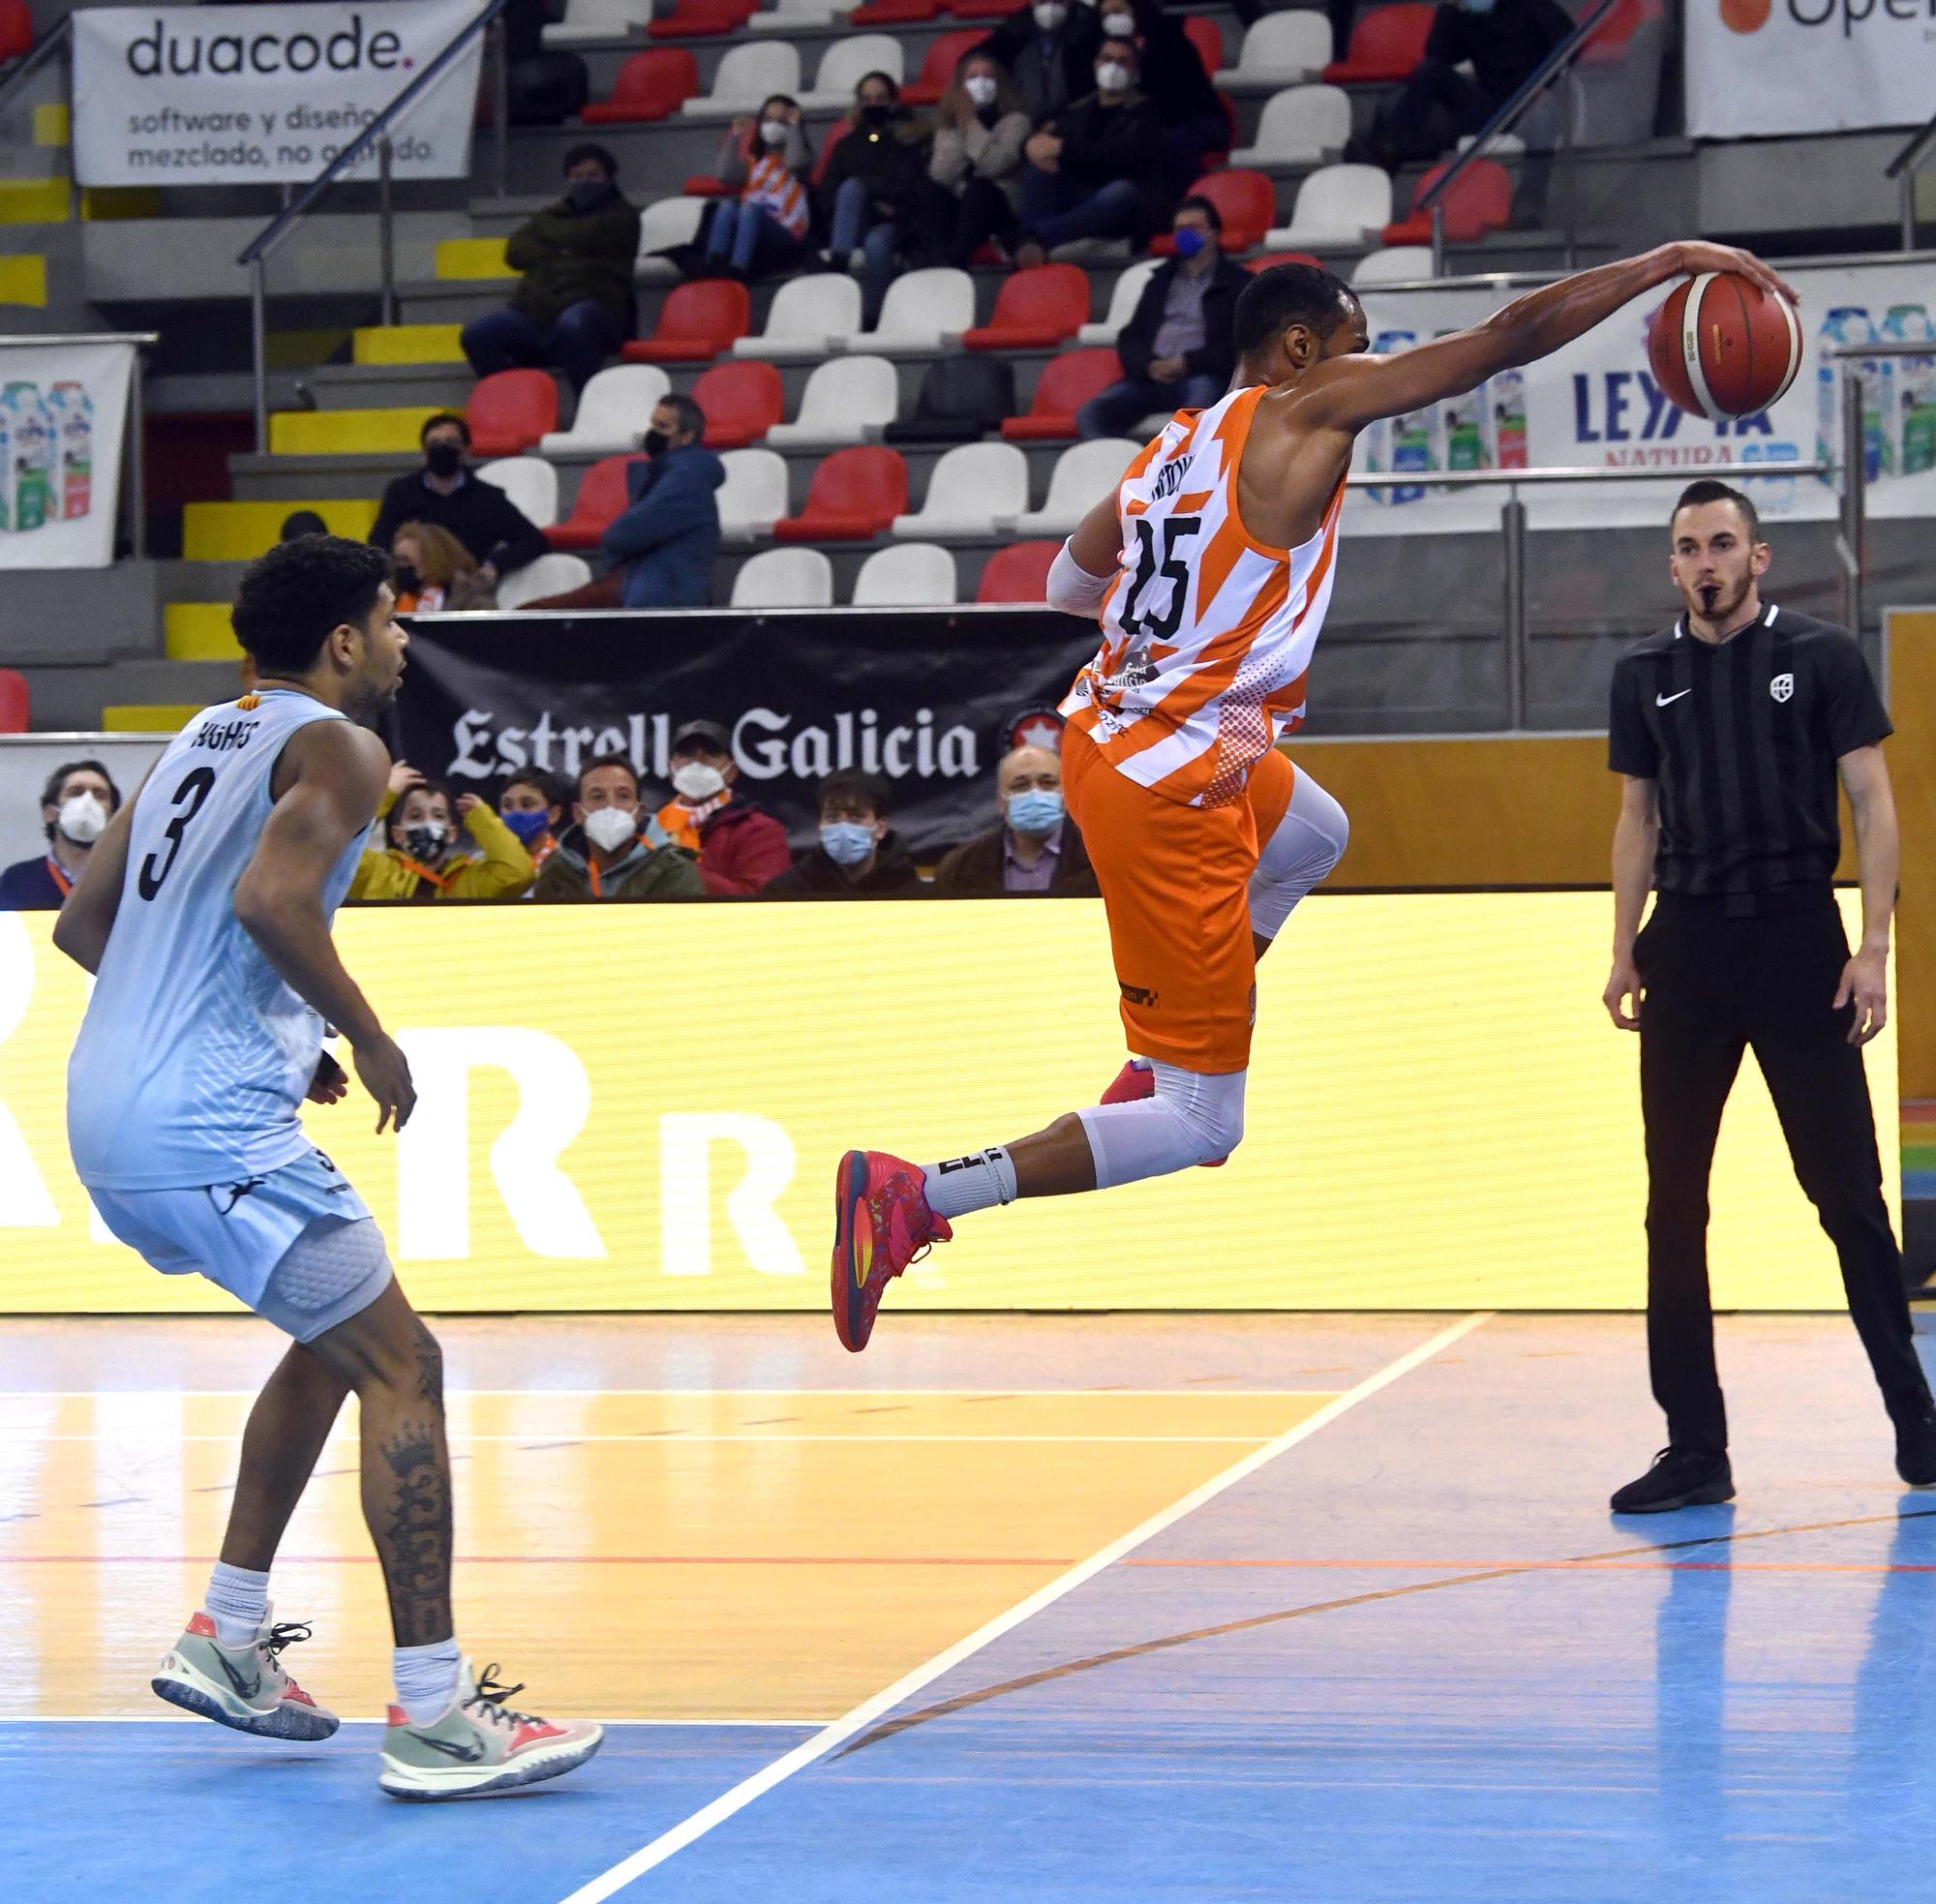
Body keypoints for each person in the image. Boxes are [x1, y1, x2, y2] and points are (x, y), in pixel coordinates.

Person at [825, 237, 1800, 1356]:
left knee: (1312, 832)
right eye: (1354, 345)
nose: (1366, 368)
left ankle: (1161, 1048)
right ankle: (919, 1192)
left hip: (1122, 730)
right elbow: (1504, 339)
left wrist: (1181, 627)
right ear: (1297, 349)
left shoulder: (1172, 445)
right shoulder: (1306, 407)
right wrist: (1662, 261)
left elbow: (1064, 585)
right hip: (1171, 784)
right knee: (1202, 1124)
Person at [51, 534, 599, 1796]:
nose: (403, 642)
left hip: (109, 1114)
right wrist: (365, 1033)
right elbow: (271, 902)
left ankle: (229, 1630)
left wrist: (254, 1037)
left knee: (335, 1338)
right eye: (393, 621)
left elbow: (85, 921)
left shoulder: (195, 738)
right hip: (207, 1130)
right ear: (345, 640)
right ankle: (436, 1713)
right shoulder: (342, 746)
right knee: (407, 1365)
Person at [1600, 480, 1936, 1512]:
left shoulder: (1821, 657)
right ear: (1671, 566)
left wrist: (1872, 945)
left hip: (1799, 941)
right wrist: (1621, 949)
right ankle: (1695, 1448)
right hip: (1688, 949)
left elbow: (1872, 801)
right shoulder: (1643, 673)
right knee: (1672, 1205)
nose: (1704, 562)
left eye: (1721, 543)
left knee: (1848, 1196)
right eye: (1687, 547)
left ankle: (1917, 1425)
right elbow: (1636, 819)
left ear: (1757, 557)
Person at [460, 142, 640, 396]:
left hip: (595, 308)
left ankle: (588, 402)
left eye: (593, 175)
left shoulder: (623, 216)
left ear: (609, 177)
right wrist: (561, 250)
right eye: (577, 176)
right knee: (477, 335)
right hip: (538, 310)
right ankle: (515, 399)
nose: (584, 182)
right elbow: (515, 250)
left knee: (573, 324)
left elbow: (588, 235)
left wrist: (549, 244)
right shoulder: (552, 214)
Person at [1077, 196, 1248, 439]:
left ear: (1214, 233)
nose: (1184, 235)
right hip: (1151, 378)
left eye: (1193, 228)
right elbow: (1131, 336)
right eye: (1179, 229)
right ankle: (1127, 464)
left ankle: (1183, 465)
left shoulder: (1239, 284)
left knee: (1198, 411)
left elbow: (1241, 346)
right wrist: (1148, 365)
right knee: (1091, 414)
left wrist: (1186, 363)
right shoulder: (1160, 281)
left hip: (1203, 376)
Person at [1348, 0, 1572, 171]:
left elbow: (1571, 44)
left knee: (1543, 111)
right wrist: (1450, 9)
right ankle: (1391, 148)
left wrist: (1546, 85)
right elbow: (1437, 54)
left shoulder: (1532, 5)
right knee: (1430, 70)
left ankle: (1529, 202)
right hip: (1490, 107)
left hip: (1530, 103)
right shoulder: (1466, 15)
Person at [1013, 38, 1170, 268]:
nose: (1113, 66)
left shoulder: (1146, 113)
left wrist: (1063, 148)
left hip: (1119, 205)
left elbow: (1123, 154)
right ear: (1096, 64)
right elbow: (1040, 136)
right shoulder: (1077, 109)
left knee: (1121, 192)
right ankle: (1032, 244)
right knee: (1039, 168)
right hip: (1078, 196)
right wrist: (1030, 144)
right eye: (1107, 59)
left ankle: (1030, 239)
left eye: (1122, 61)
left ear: (1135, 72)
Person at [817, 73, 943, 331]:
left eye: (880, 98)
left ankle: (872, 320)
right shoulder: (847, 145)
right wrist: (869, 197)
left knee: (876, 242)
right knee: (851, 188)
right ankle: (840, 260)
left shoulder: (910, 141)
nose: (873, 104)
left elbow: (914, 189)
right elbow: (828, 194)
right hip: (854, 221)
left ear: (893, 101)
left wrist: (872, 194)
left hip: (897, 220)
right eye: (867, 99)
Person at [368, 414, 549, 585]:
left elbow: (532, 540)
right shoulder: (401, 492)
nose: (442, 447)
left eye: (451, 442)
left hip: (466, 587)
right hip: (413, 585)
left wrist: (495, 564)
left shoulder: (487, 497)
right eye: (434, 443)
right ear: (423, 453)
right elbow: (379, 540)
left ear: (467, 450)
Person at [601, 395, 723, 610]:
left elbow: (624, 533)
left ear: (686, 436)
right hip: (653, 588)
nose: (653, 433)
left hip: (668, 598)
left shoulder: (687, 477)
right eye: (653, 424)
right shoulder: (669, 473)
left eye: (663, 427)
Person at [532, 755, 708, 900]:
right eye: (597, 797)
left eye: (623, 796)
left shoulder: (675, 870)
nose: (611, 806)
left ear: (639, 812)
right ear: (578, 813)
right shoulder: (555, 871)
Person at [349, 764, 534, 901]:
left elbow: (518, 873)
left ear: (451, 833)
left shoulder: (470, 879)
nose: (427, 822)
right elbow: (338, 854)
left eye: (438, 816)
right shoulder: (377, 872)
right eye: (415, 816)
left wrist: (482, 820)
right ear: (398, 834)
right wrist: (384, 794)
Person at [652, 719, 794, 895]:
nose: (697, 762)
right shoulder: (650, 827)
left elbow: (763, 900)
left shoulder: (760, 831)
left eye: (710, 753)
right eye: (686, 753)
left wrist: (682, 872)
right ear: (671, 769)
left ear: (731, 772)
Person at [934, 743, 1098, 894]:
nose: (1035, 793)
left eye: (1047, 783)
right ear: (1001, 801)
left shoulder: (1099, 859)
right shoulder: (958, 868)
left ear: (1067, 794)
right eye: (1020, 785)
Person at [1102, 0, 1227, 192]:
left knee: (1172, 143)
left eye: (1118, 11)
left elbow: (1177, 102)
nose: (1112, 19)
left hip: (1195, 118)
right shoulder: (1103, 49)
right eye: (1106, 15)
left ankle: (1184, 201)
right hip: (1140, 121)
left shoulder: (1170, 41)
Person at [931, 51, 1033, 267]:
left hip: (1001, 206)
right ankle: (932, 260)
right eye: (972, 77)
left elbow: (993, 164)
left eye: (987, 76)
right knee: (931, 192)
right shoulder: (950, 124)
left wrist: (970, 123)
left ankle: (955, 261)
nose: (980, 83)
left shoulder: (1017, 122)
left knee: (979, 188)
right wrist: (960, 121)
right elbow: (941, 174)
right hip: (960, 205)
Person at [702, 95, 812, 280]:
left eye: (780, 120)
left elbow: (795, 162)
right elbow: (725, 175)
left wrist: (794, 126)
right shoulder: (755, 161)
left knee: (749, 209)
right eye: (768, 119)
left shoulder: (802, 158)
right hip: (751, 223)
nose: (772, 125)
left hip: (786, 228)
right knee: (727, 207)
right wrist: (735, 136)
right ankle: (714, 264)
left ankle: (739, 269)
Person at [766, 771, 924, 895]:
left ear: (881, 828)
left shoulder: (914, 895)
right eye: (832, 818)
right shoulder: (785, 891)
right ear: (820, 825)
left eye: (856, 818)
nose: (843, 828)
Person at [0, 758, 121, 909]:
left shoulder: (125, 880)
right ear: (50, 813)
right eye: (75, 793)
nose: (88, 802)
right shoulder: (18, 879)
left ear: (113, 816)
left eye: (100, 795)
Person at [976, 0, 1103, 127]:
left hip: (1078, 126)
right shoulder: (1013, 30)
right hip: (1022, 125)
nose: (1050, 4)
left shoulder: (1090, 29)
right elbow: (976, 60)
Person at [389, 522, 496, 614]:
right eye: (397, 560)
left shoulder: (473, 601)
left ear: (433, 560)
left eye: (406, 560)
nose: (400, 567)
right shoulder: (390, 598)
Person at [498, 768, 570, 878]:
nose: (515, 813)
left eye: (527, 804)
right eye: (507, 805)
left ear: (553, 814)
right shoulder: (485, 863)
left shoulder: (568, 869)